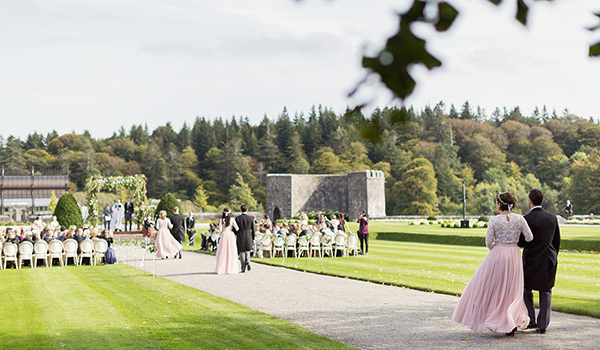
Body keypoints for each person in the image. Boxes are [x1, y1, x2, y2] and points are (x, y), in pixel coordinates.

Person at [453, 192, 533, 335]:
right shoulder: (520, 219)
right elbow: (529, 237)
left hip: (498, 253)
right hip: (514, 254)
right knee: (513, 289)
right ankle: (511, 322)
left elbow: (488, 242)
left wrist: (497, 248)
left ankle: (497, 319)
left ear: (499, 204)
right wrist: (514, 242)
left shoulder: (494, 220)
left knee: (495, 288)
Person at [519, 189, 561, 334]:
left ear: (530, 200)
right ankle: (543, 325)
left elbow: (521, 242)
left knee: (526, 289)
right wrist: (553, 255)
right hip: (548, 257)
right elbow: (556, 241)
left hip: (531, 257)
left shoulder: (526, 219)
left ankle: (531, 319)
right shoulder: (552, 217)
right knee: (546, 290)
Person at [215, 208, 239, 274]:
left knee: (223, 251)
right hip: (230, 235)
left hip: (224, 235)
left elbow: (220, 230)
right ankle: (231, 268)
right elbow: (237, 228)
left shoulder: (221, 220)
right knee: (231, 251)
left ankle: (222, 268)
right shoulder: (232, 220)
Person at [234, 205, 255, 273]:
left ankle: (243, 266)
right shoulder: (250, 218)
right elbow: (253, 229)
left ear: (241, 210)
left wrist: (235, 234)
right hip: (248, 234)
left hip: (240, 234)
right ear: (247, 210)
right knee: (248, 250)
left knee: (241, 251)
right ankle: (248, 261)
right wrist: (253, 237)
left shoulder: (238, 218)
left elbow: (235, 229)